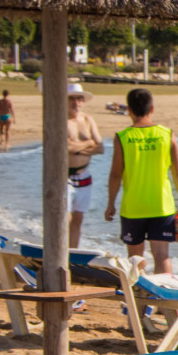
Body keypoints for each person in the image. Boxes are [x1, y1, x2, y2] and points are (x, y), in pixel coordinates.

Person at [103, 86, 178, 275]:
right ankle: (164, 295)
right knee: (162, 256)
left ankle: (137, 295)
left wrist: (110, 204)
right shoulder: (167, 134)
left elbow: (115, 174)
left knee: (135, 259)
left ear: (129, 110)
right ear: (152, 109)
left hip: (133, 207)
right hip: (162, 205)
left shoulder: (123, 137)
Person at [60, 83, 104, 249]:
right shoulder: (62, 120)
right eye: (72, 98)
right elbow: (65, 148)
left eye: (79, 99)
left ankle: (73, 252)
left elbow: (100, 147)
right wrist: (88, 143)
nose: (76, 102)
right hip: (65, 175)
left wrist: (77, 148)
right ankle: (61, 251)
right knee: (65, 218)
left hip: (84, 175)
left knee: (78, 219)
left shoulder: (87, 119)